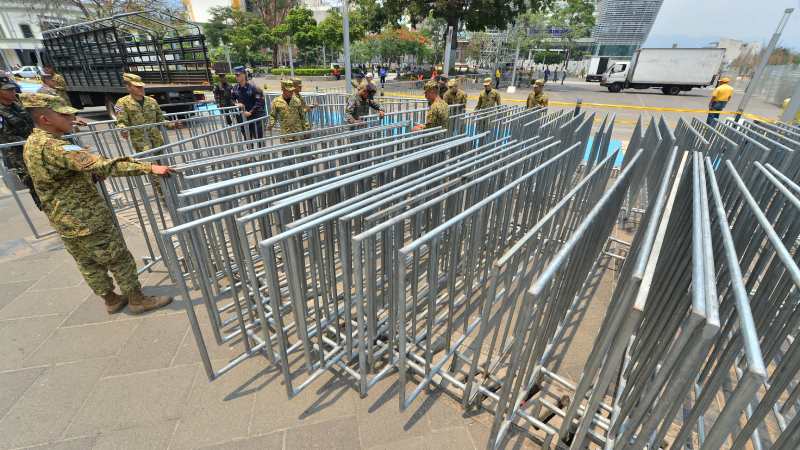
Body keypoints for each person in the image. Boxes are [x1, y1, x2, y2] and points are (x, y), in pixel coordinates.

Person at [22, 93, 174, 314]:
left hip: (63, 220)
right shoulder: (55, 147)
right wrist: (148, 167)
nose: (71, 119)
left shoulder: (32, 142)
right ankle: (137, 299)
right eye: (64, 115)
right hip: (86, 217)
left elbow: (59, 175)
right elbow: (102, 165)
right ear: (46, 119)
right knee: (118, 257)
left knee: (88, 263)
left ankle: (111, 299)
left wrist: (88, 176)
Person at [0, 74, 41, 209]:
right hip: (18, 155)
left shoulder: (17, 104)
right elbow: (5, 137)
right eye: (8, 90)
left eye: (13, 89)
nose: (13, 92)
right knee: (34, 183)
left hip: (33, 148)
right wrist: (33, 141)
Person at [115, 73, 175, 152]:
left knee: (162, 162)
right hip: (141, 143)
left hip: (156, 140)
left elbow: (161, 119)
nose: (141, 89)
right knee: (147, 163)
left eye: (141, 86)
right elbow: (121, 121)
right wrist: (123, 130)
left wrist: (173, 124)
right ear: (128, 87)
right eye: (137, 87)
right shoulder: (121, 103)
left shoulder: (152, 101)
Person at [231, 66, 265, 139]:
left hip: (255, 117)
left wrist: (250, 112)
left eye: (238, 75)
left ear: (244, 74)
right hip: (243, 118)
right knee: (247, 139)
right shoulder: (235, 88)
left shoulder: (254, 87)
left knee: (259, 140)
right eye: (235, 75)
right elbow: (231, 99)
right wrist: (236, 104)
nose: (236, 77)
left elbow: (260, 102)